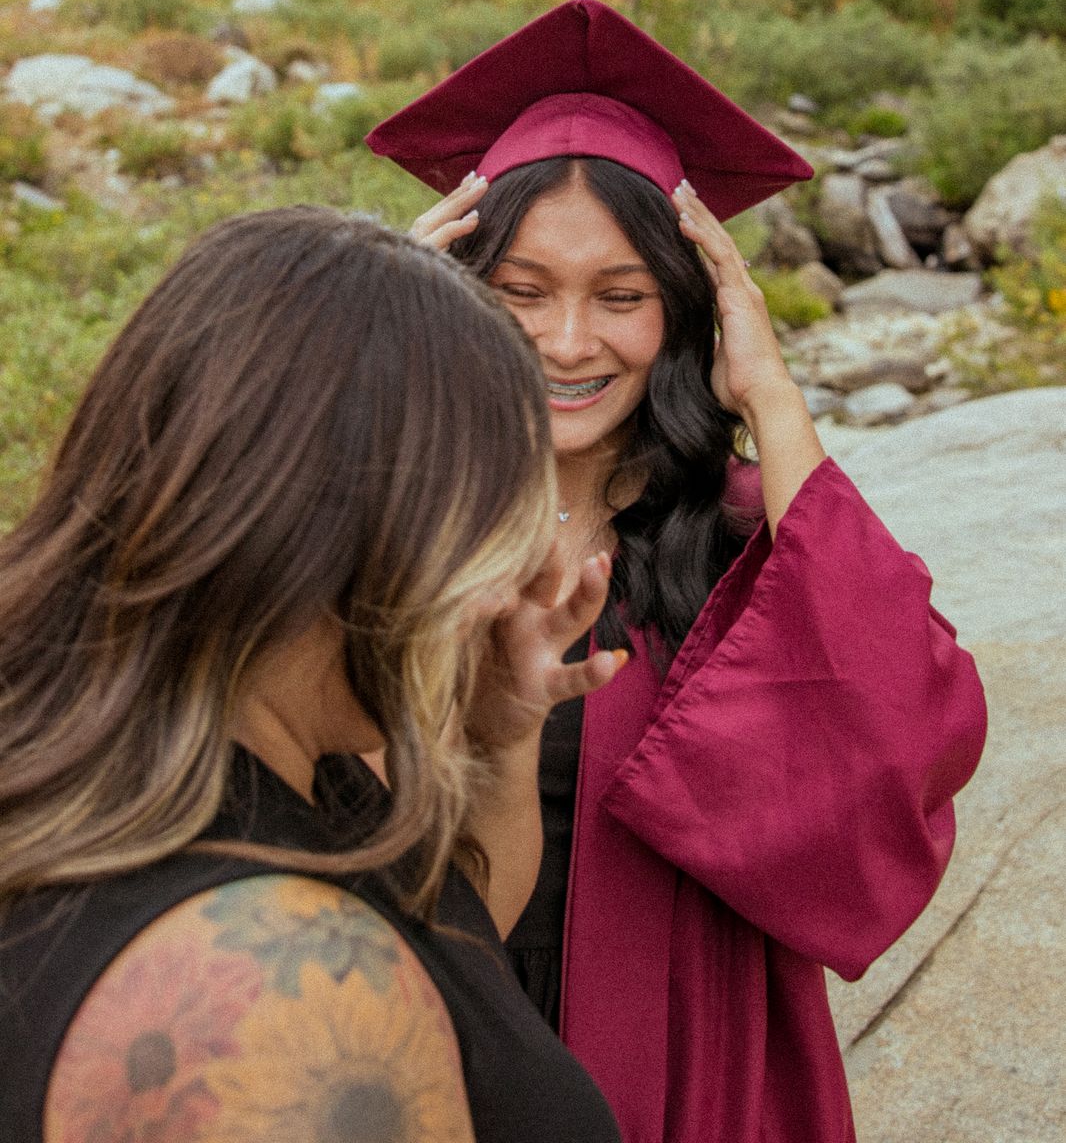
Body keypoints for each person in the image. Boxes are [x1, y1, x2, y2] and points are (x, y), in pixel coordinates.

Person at [366, 0, 988, 1143]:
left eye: (620, 297)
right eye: (520, 292)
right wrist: (375, 335)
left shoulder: (744, 536)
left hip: (682, 1052)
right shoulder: (399, 517)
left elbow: (910, 729)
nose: (565, 342)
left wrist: (769, 392)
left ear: (685, 309)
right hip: (412, 1040)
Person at [0, 206, 626, 1143]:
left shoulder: (219, 745)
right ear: (382, 536)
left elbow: (449, 963)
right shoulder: (258, 1009)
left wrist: (493, 738)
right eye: (497, 529)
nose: (529, 582)